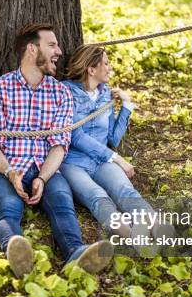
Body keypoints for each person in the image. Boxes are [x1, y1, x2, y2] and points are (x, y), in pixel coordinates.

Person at [0, 23, 113, 278]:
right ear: (32, 49)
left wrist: (42, 178)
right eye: (52, 45)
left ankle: (75, 253)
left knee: (62, 204)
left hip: (45, 167)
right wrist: (9, 173)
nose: (59, 51)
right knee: (8, 206)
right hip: (5, 166)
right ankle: (17, 251)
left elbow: (60, 145)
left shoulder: (60, 93)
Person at [59, 45, 173, 254]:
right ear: (91, 70)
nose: (110, 68)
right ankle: (131, 237)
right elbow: (76, 136)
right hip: (73, 162)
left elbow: (112, 137)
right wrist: (117, 158)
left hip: (101, 160)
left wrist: (126, 105)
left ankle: (156, 225)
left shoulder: (105, 95)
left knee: (124, 190)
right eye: (106, 63)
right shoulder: (66, 92)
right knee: (97, 196)